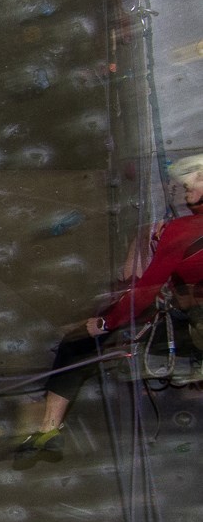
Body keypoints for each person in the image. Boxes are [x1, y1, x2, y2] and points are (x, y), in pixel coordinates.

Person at [15, 154, 203, 461]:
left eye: (189, 183)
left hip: (191, 331)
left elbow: (144, 291)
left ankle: (48, 428)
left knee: (79, 343)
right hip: (193, 328)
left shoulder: (182, 231)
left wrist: (103, 324)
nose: (183, 191)